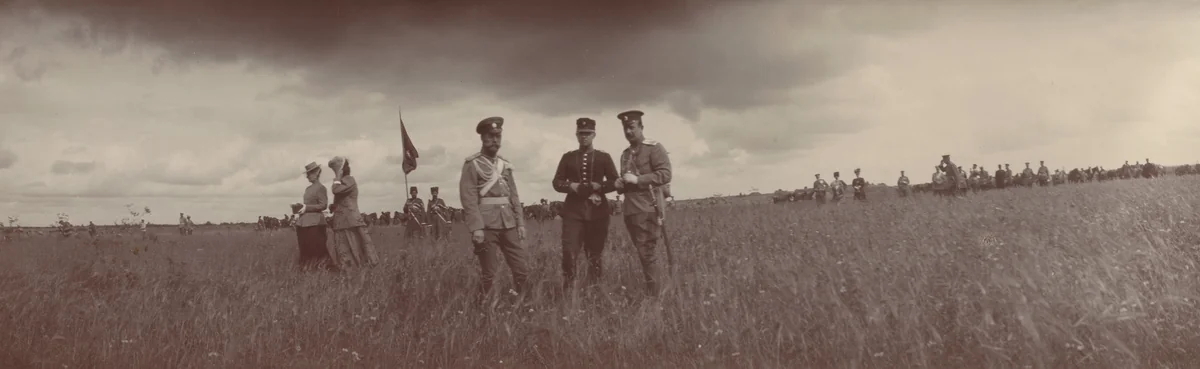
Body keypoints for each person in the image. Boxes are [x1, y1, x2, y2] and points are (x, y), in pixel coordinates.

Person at [459, 116, 531, 304]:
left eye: (498, 136)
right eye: (490, 136)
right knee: (489, 273)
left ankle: (525, 305)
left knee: (521, 269)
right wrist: (476, 228)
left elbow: (513, 195)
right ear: (482, 138)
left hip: (509, 223)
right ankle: (485, 308)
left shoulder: (504, 164)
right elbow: (468, 198)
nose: (494, 141)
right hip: (486, 226)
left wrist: (520, 222)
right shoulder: (472, 164)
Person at [552, 117, 619, 294]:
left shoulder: (604, 157)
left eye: (588, 134)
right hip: (573, 212)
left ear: (594, 134)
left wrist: (600, 187)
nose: (584, 137)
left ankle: (595, 291)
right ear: (576, 135)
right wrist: (572, 186)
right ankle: (568, 291)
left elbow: (615, 181)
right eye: (581, 134)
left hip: (598, 213)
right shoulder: (568, 157)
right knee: (569, 253)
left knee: (595, 255)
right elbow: (557, 182)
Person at [614, 110, 672, 297]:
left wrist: (638, 180)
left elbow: (665, 174)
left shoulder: (653, 148)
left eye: (631, 127)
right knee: (643, 254)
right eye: (625, 128)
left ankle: (655, 297)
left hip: (648, 207)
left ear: (641, 127)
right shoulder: (624, 154)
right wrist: (620, 184)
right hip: (631, 210)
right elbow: (626, 180)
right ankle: (654, 292)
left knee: (647, 254)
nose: (628, 132)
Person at [327, 156, 379, 268]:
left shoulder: (349, 180)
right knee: (344, 252)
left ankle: (360, 271)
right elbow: (340, 197)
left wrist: (337, 177)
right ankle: (349, 271)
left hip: (351, 222)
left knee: (357, 249)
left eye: (336, 170)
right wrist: (334, 206)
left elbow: (335, 190)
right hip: (342, 222)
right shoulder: (342, 182)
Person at [292, 162, 332, 269]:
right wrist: (298, 209)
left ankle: (323, 269)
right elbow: (307, 205)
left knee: (317, 248)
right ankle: (307, 269)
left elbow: (323, 205)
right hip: (303, 223)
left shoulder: (321, 188)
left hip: (316, 223)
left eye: (310, 173)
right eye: (307, 174)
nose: (308, 176)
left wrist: (306, 208)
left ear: (317, 172)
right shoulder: (308, 189)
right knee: (305, 248)